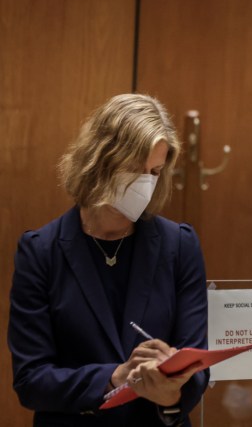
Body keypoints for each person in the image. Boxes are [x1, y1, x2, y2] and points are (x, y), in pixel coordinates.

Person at [8, 94, 209, 426]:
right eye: (135, 168)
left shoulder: (180, 245)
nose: (146, 183)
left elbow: (197, 367)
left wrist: (170, 392)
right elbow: (31, 380)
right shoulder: (41, 251)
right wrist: (115, 377)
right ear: (100, 160)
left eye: (155, 171)